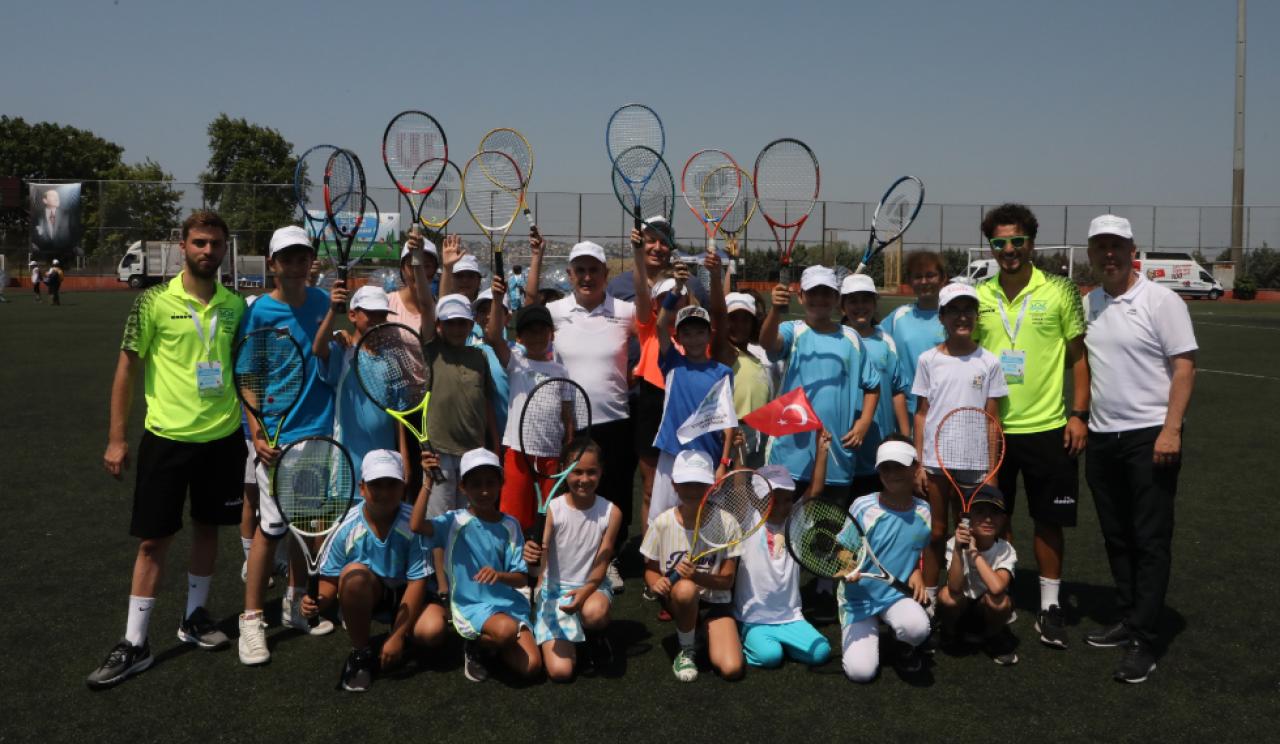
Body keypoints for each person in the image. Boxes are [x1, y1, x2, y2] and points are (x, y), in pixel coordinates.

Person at [89, 211, 248, 688]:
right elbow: (126, 371)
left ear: (225, 249)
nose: (208, 251)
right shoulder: (153, 302)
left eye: (216, 244)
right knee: (154, 540)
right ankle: (135, 642)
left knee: (207, 530)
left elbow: (240, 371)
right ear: (182, 246)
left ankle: (195, 617)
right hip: (167, 439)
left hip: (222, 437)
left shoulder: (235, 306)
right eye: (199, 242)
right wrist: (117, 437)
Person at [1080, 214, 1197, 684]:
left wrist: (1172, 430)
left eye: (1116, 246)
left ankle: (1145, 640)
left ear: (1133, 250)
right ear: (1091, 253)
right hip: (1103, 438)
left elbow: (1185, 368)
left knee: (1150, 539)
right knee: (1116, 534)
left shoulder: (1161, 300)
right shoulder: (1091, 303)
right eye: (1100, 246)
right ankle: (1129, 615)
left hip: (1151, 434)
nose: (1109, 254)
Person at [975, 203, 1090, 649]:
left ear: (1031, 243)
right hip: (993, 431)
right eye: (1000, 243)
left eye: (1017, 241)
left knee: (1049, 520)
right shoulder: (980, 296)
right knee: (994, 520)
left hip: (1049, 427)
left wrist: (1079, 415)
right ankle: (997, 597)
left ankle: (1049, 607)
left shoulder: (1060, 290)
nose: (1009, 250)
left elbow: (1079, 358)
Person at [236, 226, 338, 666]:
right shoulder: (259, 311)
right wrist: (256, 430)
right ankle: (252, 620)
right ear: (273, 264)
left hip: (317, 429)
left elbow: (328, 347)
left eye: (302, 257)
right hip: (276, 436)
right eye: (287, 258)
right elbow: (247, 373)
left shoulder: (321, 302)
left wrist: (341, 332)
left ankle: (295, 605)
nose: (295, 265)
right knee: (270, 528)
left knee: (302, 523)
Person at [302, 450, 447, 692]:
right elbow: (330, 580)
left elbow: (417, 584)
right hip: (373, 592)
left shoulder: (414, 523)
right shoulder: (345, 526)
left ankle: (402, 633)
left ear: (403, 487)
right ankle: (361, 653)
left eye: (392, 484)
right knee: (354, 576)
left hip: (410, 595)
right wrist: (319, 600)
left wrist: (397, 636)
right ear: (362, 488)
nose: (384, 492)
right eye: (376, 485)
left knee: (434, 631)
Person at [912, 282, 1008, 615]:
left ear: (976, 316)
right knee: (937, 532)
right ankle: (932, 599)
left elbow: (992, 421)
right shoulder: (928, 360)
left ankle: (970, 593)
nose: (962, 316)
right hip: (937, 464)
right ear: (942, 316)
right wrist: (920, 463)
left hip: (976, 465)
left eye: (968, 309)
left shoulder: (990, 362)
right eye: (954, 310)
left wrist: (992, 471)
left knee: (969, 534)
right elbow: (922, 414)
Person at [547, 241, 637, 591]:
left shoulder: (624, 311)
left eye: (593, 270)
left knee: (613, 496)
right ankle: (566, 560)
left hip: (615, 420)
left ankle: (607, 559)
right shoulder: (554, 312)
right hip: (569, 423)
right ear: (570, 275)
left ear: (606, 274)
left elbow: (653, 327)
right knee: (571, 495)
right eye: (580, 270)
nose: (587, 276)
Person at [412, 448, 541, 682]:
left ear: (501, 484)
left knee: (531, 667)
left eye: (490, 483)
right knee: (506, 631)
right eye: (476, 484)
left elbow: (521, 578)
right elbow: (416, 525)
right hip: (472, 605)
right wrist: (428, 480)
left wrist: (499, 575)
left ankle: (489, 648)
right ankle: (477, 646)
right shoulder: (453, 521)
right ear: (463, 487)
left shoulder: (511, 524)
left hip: (509, 605)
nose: (484, 491)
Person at [759, 265, 880, 506]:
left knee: (828, 534)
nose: (819, 299)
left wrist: (864, 422)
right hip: (790, 455)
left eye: (826, 293)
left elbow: (873, 385)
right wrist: (774, 310)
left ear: (836, 299)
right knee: (781, 529)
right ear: (801, 297)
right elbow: (767, 342)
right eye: (813, 293)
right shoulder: (792, 330)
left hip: (837, 456)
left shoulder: (851, 338)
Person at [642, 449, 744, 683]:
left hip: (715, 601)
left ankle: (701, 631)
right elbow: (650, 569)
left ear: (712, 486)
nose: (693, 490)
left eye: (700, 484)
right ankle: (686, 649)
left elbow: (727, 581)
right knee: (686, 590)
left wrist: (697, 576)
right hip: (679, 598)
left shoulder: (727, 523)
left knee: (732, 669)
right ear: (674, 485)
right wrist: (656, 583)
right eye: (686, 483)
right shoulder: (662, 523)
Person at [522, 441, 622, 680]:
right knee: (560, 672)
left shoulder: (611, 512)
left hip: (592, 587)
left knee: (594, 613)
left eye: (591, 472)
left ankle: (595, 635)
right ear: (564, 470)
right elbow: (537, 565)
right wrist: (532, 557)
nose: (584, 479)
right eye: (577, 471)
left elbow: (603, 560)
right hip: (555, 593)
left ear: (601, 472)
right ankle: (577, 643)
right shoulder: (554, 509)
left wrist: (586, 591)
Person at [647, 261, 736, 528]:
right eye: (688, 332)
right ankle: (659, 566)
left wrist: (724, 462)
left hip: (708, 454)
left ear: (710, 336)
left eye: (700, 332)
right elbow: (661, 326)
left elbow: (728, 420)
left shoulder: (722, 372)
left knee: (707, 521)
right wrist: (676, 289)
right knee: (663, 519)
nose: (695, 338)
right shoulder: (672, 362)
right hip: (673, 451)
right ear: (679, 337)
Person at [838, 437, 931, 683]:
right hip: (857, 599)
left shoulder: (925, 511)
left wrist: (916, 572)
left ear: (916, 468)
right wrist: (848, 569)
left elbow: (917, 549)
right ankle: (872, 630)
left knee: (918, 628)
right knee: (861, 673)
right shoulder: (862, 506)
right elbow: (843, 550)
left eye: (899, 466)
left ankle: (904, 646)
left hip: (895, 595)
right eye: (885, 467)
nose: (892, 473)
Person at [733, 451, 834, 670]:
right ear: (757, 500)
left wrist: (822, 449)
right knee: (770, 657)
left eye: (787, 499)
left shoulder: (795, 520)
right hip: (753, 618)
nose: (781, 506)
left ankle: (779, 642)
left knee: (821, 652)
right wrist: (736, 452)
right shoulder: (749, 520)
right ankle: (746, 636)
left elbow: (815, 490)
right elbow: (740, 489)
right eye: (772, 500)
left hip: (791, 617)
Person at [485, 293, 569, 534]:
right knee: (514, 518)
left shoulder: (561, 371)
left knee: (548, 521)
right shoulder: (515, 362)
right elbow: (492, 336)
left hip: (552, 454)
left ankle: (540, 567)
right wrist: (497, 298)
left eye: (542, 330)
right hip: (518, 452)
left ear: (551, 334)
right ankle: (514, 566)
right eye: (530, 331)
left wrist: (569, 446)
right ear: (519, 337)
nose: (537, 336)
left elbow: (567, 415)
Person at [840, 273, 910, 496]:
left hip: (881, 449)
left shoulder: (886, 341)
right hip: (844, 445)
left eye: (865, 300)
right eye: (852, 300)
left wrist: (906, 437)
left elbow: (897, 391)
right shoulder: (836, 339)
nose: (860, 306)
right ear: (842, 306)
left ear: (874, 303)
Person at [937, 485, 1018, 666]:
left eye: (995, 513)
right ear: (965, 518)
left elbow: (997, 588)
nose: (988, 519)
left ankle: (992, 637)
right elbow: (955, 587)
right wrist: (959, 549)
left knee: (1000, 602)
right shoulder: (953, 543)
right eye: (980, 512)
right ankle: (949, 633)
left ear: (1003, 519)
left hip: (986, 609)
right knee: (947, 597)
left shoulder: (1005, 549)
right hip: (961, 606)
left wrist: (974, 552)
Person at [879, 251, 948, 427]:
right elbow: (867, 337)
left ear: (942, 278)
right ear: (910, 281)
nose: (924, 281)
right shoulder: (898, 317)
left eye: (930, 275)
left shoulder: (954, 318)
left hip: (944, 408)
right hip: (906, 412)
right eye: (918, 276)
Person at [718, 291, 776, 467]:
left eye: (746, 320)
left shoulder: (757, 357)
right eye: (732, 318)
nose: (739, 325)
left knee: (754, 488)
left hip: (761, 432)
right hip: (734, 433)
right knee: (734, 489)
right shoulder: (723, 353)